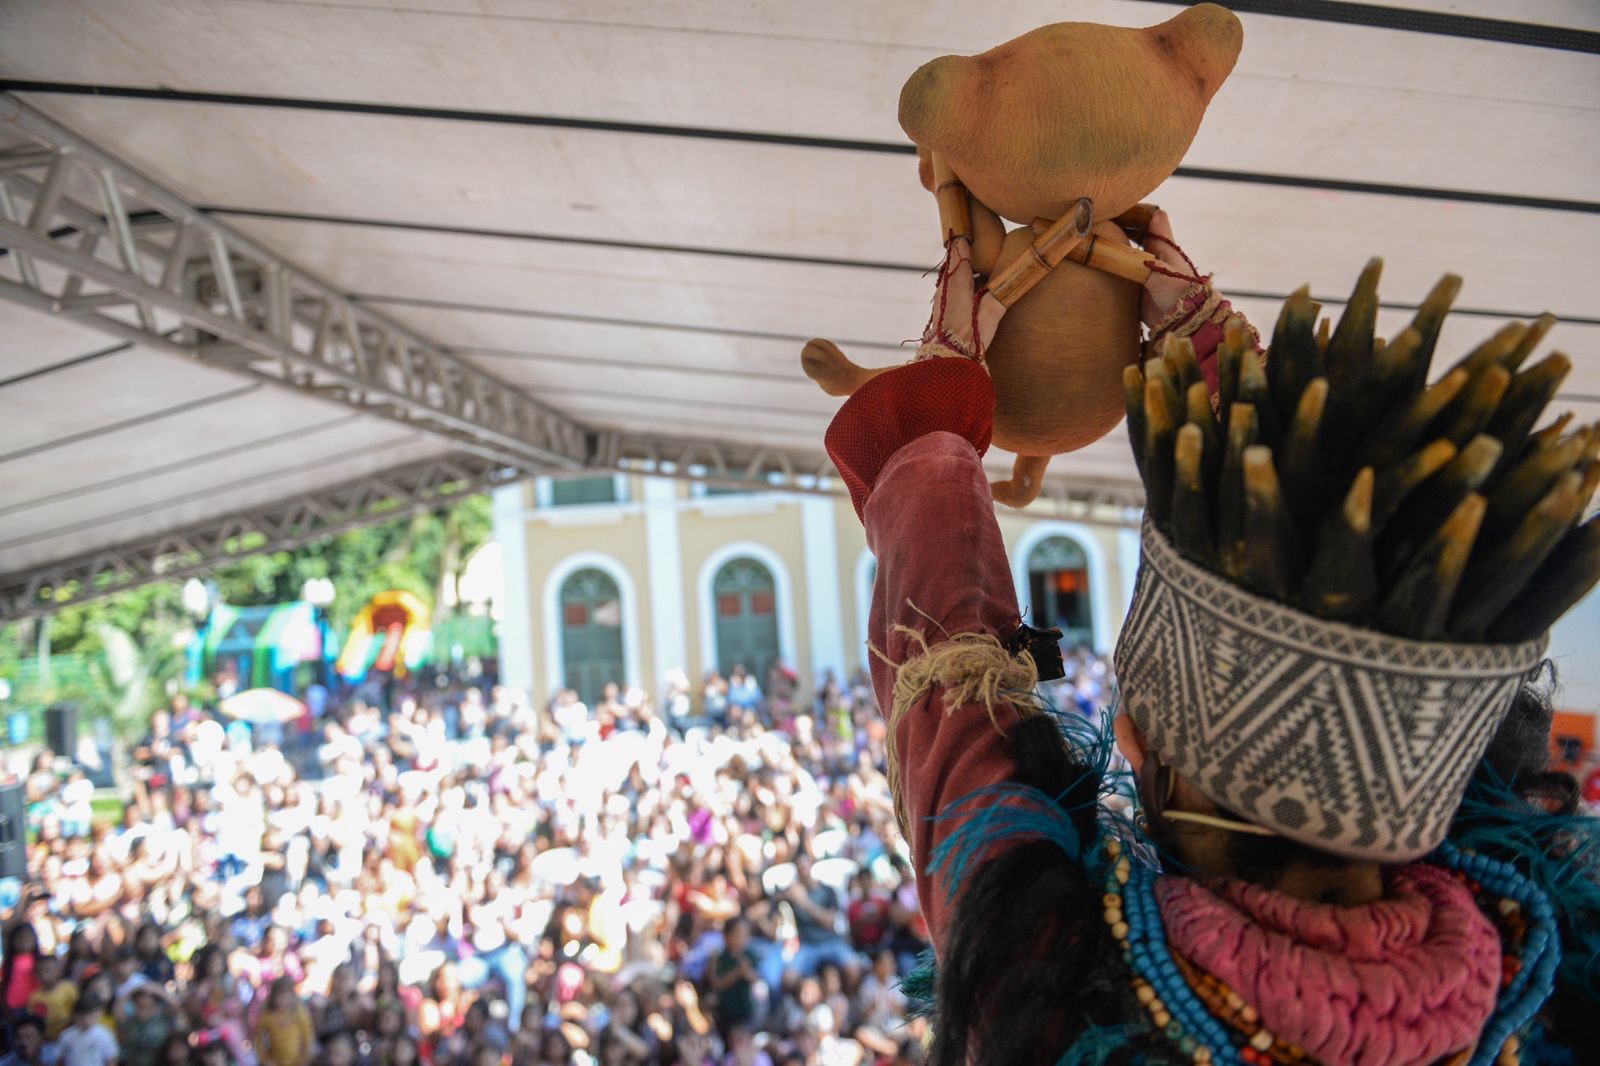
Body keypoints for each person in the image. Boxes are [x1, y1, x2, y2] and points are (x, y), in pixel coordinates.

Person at [825, 207, 1600, 1066]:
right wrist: (1219, 368)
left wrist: (943, 406)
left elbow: (952, 700)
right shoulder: (1553, 956)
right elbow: (952, 718)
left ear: (1140, 747)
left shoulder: (1051, 996)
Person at [253, 977, 313, 1066]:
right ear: (273, 997)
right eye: (280, 998)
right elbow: (258, 1039)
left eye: (287, 997)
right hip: (275, 1061)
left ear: (293, 997)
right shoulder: (268, 1016)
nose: (284, 1001)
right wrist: (265, 1060)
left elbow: (307, 1037)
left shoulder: (299, 1013)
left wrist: (304, 1059)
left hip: (296, 1062)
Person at [55, 999, 116, 1066]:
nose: (85, 1021)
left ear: (96, 1015)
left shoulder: (105, 1035)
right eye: (81, 1018)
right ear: (74, 1016)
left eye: (90, 1016)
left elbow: (110, 1059)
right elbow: (60, 1059)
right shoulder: (66, 1036)